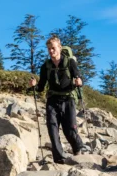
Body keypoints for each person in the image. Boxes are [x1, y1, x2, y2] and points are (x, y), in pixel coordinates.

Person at [29, 36, 83, 164]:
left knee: (69, 129)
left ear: (59, 47)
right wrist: (34, 86)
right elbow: (41, 87)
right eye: (49, 49)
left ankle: (77, 148)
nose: (51, 51)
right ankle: (59, 159)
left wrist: (79, 81)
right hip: (52, 100)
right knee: (52, 129)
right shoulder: (45, 66)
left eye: (53, 48)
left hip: (68, 98)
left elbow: (79, 78)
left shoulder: (70, 62)